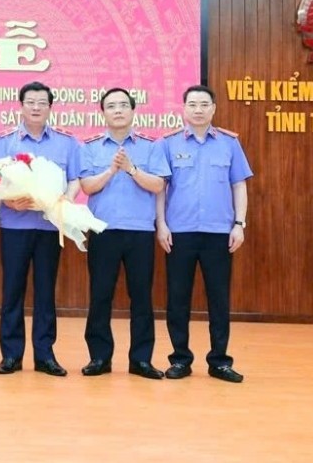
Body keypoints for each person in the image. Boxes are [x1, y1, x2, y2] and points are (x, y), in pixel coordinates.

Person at [156, 84, 252, 383]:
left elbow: (239, 185)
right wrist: (161, 224)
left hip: (219, 233)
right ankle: (180, 359)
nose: (198, 110)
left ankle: (219, 361)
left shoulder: (229, 143)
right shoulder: (168, 143)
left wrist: (239, 224)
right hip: (179, 233)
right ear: (184, 109)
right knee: (178, 299)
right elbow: (160, 188)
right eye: (193, 104)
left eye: (204, 104)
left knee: (219, 299)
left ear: (213, 108)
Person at [0, 81, 80, 377]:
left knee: (45, 292)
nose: (36, 107)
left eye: (42, 102)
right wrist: (7, 199)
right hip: (14, 225)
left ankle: (45, 355)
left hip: (49, 227)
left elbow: (75, 180)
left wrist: (65, 199)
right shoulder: (5, 142)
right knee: (12, 290)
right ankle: (11, 355)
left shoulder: (66, 142)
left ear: (50, 107)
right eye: (30, 102)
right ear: (21, 106)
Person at [78, 88, 169, 380]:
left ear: (132, 110)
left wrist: (131, 169)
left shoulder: (151, 146)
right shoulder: (90, 146)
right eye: (111, 106)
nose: (117, 110)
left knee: (141, 297)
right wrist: (110, 170)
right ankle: (99, 357)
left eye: (123, 105)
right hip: (103, 232)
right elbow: (87, 186)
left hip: (139, 232)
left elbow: (158, 185)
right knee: (100, 295)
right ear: (102, 112)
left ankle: (141, 360)